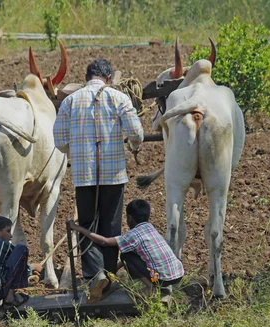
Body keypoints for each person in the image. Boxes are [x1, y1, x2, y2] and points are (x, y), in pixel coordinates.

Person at [54, 59, 144, 302]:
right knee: (111, 225)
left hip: (83, 177)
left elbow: (60, 140)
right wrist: (133, 146)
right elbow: (136, 133)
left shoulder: (71, 101)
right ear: (108, 78)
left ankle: (95, 276)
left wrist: (77, 148)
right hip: (113, 176)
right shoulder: (119, 98)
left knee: (86, 225)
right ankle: (109, 278)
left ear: (87, 77)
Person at [68, 199, 184, 298]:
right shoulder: (150, 228)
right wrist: (112, 272)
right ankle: (156, 284)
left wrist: (77, 228)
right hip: (178, 275)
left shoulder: (134, 235)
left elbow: (105, 241)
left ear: (130, 218)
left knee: (126, 255)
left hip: (162, 279)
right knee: (131, 255)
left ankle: (150, 287)